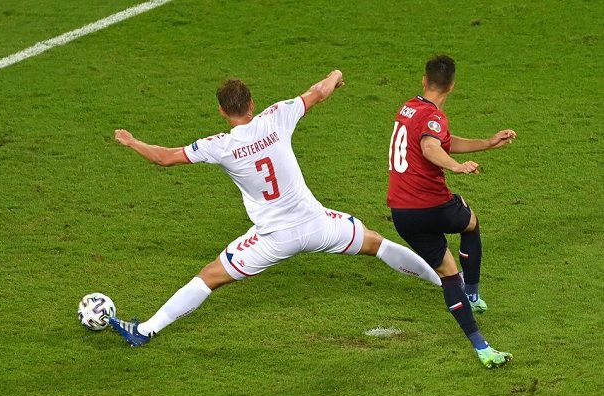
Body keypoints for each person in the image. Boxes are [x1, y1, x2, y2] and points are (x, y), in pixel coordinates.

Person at [109, 70, 442, 348]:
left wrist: (134, 142)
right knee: (377, 244)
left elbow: (165, 157)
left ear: (222, 112)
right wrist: (336, 76)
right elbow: (317, 92)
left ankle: (144, 331)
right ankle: (449, 286)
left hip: (273, 239)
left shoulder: (220, 146)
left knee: (209, 277)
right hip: (318, 225)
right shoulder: (277, 116)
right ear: (252, 104)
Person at [387, 55, 516, 368]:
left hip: (402, 213)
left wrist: (486, 143)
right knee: (470, 222)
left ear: (424, 80)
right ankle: (472, 293)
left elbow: (439, 141)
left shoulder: (408, 108)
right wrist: (457, 167)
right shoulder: (434, 117)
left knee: (447, 272)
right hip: (432, 204)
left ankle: (482, 348)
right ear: (453, 86)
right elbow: (432, 147)